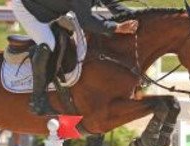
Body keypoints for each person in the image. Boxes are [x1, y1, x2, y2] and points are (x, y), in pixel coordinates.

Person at [11, 0, 139, 116]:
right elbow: (87, 22)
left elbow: (113, 5)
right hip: (27, 8)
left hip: (51, 11)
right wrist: (117, 27)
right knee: (48, 43)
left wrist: (140, 16)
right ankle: (37, 100)